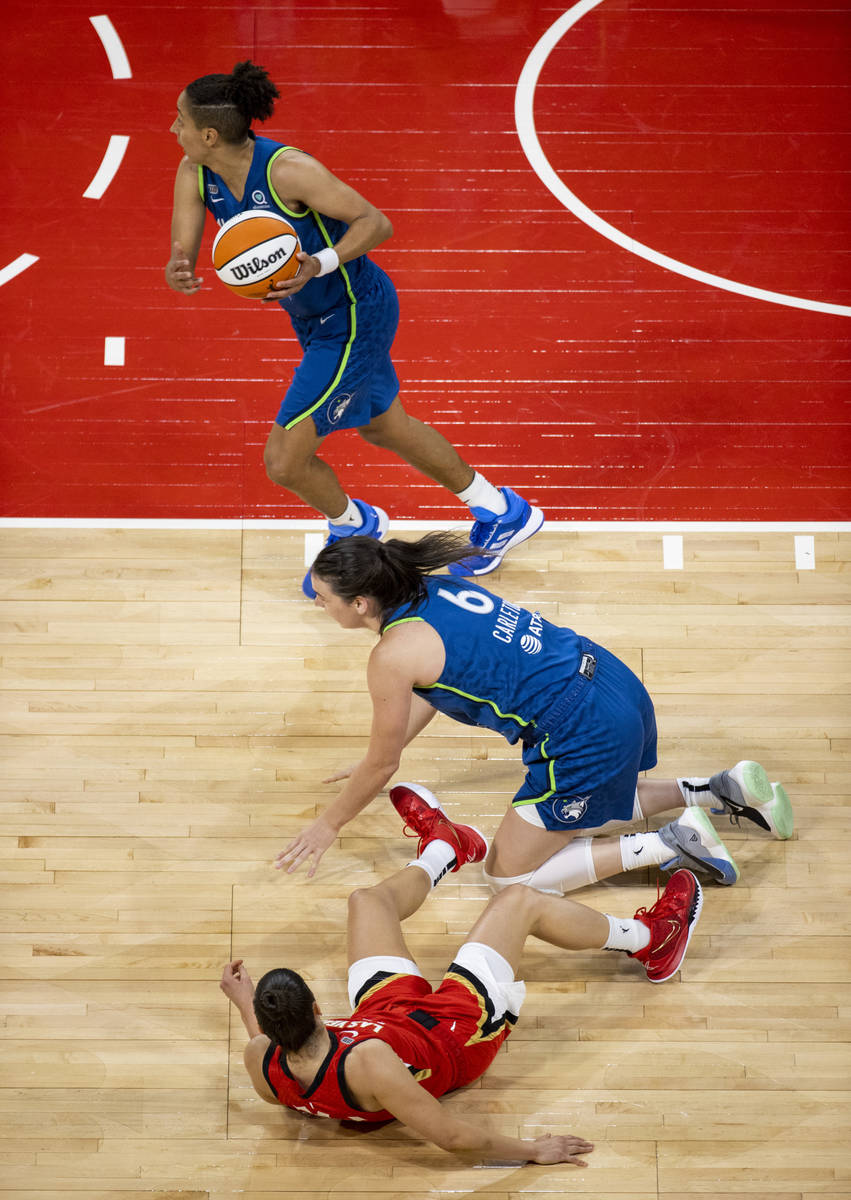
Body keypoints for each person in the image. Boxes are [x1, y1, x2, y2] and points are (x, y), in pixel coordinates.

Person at [164, 60, 543, 596]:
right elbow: (186, 248)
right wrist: (179, 268)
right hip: (313, 319)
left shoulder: (289, 172)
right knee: (385, 426)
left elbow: (376, 222)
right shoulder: (194, 170)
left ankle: (354, 524)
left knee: (283, 460)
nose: (171, 129)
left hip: (353, 313)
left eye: (178, 120)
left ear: (208, 133)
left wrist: (315, 264)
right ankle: (501, 510)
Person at [276, 532, 793, 889]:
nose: (319, 605)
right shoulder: (433, 587)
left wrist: (330, 824)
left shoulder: (390, 655)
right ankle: (719, 790)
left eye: (323, 598)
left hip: (584, 730)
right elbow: (424, 694)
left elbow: (384, 765)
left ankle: (672, 845)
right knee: (583, 812)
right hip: (611, 682)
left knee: (508, 876)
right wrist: (376, 757)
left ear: (361, 603)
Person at [221, 787, 703, 1158]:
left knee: (366, 902)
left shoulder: (261, 1061)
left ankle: (443, 849)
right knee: (518, 901)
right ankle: (652, 940)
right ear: (317, 1009)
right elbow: (452, 1137)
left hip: (388, 1014)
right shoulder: (369, 1066)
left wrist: (246, 1000)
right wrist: (534, 1151)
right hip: (454, 1034)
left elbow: (267, 1047)